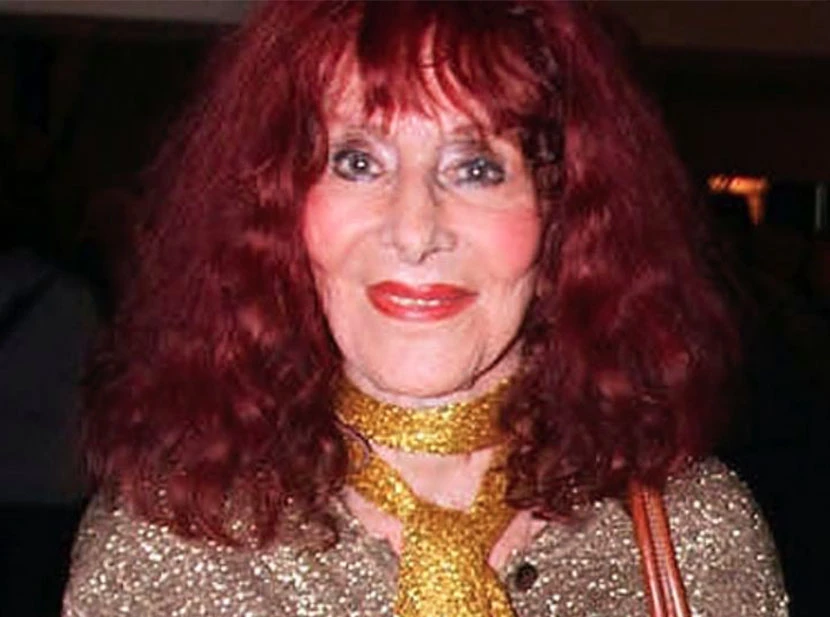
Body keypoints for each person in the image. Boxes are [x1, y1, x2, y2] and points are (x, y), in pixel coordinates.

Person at [62, 2, 788, 616]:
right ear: (279, 204)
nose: (414, 230)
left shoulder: (696, 538)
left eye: (475, 168)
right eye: (357, 162)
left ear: (561, 212)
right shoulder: (167, 538)